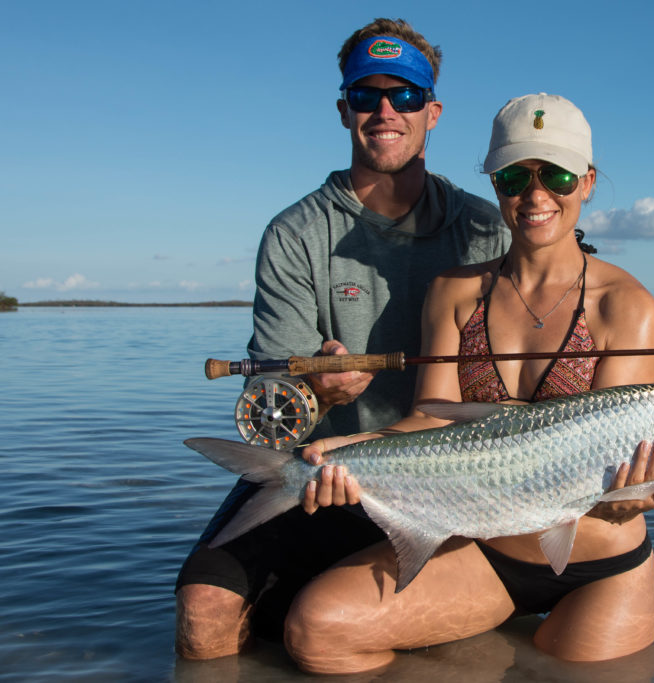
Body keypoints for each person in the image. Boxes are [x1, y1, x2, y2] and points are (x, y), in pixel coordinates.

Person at [282, 93, 654, 675]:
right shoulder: (453, 291)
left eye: (559, 176)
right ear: (495, 184)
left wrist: (634, 499)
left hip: (601, 562)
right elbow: (429, 419)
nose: (536, 196)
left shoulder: (627, 306)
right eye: (516, 176)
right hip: (483, 552)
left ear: (588, 183)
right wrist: (346, 455)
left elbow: (620, 470)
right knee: (316, 631)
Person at [174, 18, 512, 659]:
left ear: (432, 112)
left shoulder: (483, 229)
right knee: (202, 612)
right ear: (343, 110)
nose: (386, 111)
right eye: (366, 95)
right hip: (318, 470)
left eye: (405, 96)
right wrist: (321, 398)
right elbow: (272, 419)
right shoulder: (293, 234)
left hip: (455, 478)